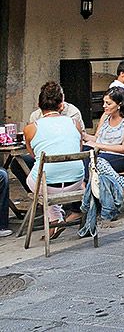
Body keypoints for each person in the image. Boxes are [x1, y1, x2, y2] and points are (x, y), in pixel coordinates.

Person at [23, 83, 87, 238]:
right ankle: (56, 218)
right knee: (46, 177)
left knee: (36, 180)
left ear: (39, 105)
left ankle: (54, 218)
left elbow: (33, 155)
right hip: (77, 182)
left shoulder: (31, 128)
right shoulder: (75, 123)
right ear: (61, 104)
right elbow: (78, 150)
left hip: (48, 185)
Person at [84, 87, 124, 172]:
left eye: (108, 103)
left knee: (96, 162)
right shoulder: (106, 115)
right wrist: (83, 135)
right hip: (101, 152)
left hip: (121, 156)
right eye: (104, 102)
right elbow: (97, 138)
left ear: (120, 104)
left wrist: (98, 145)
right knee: (82, 155)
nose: (104, 106)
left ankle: (86, 184)